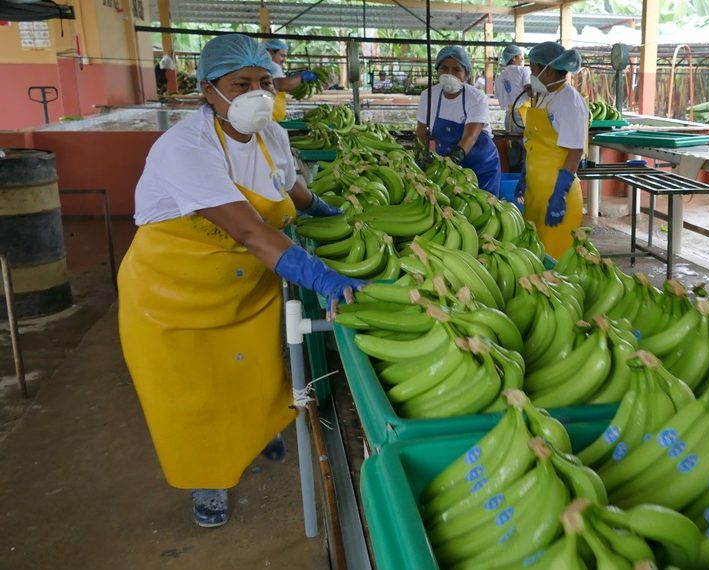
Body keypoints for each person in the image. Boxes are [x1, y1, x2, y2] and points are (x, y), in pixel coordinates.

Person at [118, 33, 364, 528]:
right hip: (174, 294)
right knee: (191, 396)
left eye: (264, 82)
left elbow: (287, 185)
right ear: (209, 90)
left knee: (250, 376)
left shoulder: (271, 131)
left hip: (244, 286)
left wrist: (320, 207)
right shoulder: (185, 148)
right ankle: (206, 482)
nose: (257, 92)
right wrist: (322, 277)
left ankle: (250, 438)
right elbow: (251, 229)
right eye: (241, 83)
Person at [517, 41, 588, 259]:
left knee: (553, 260)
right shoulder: (547, 94)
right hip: (537, 192)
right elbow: (536, 141)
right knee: (533, 254)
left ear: (546, 69)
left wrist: (560, 194)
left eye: (533, 68)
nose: (531, 74)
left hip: (556, 195)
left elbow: (575, 151)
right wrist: (525, 175)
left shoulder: (569, 101)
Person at [416, 46, 502, 196]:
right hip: (446, 165)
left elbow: (471, 136)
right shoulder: (428, 96)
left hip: (480, 165)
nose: (449, 74)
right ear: (437, 71)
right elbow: (421, 134)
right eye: (444, 68)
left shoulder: (476, 98)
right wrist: (421, 156)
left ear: (466, 74)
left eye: (456, 70)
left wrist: (451, 162)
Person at [262, 38, 321, 120]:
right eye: (281, 55)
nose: (284, 60)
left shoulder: (264, 66)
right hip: (270, 117)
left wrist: (293, 80)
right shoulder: (273, 65)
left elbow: (278, 87)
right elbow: (281, 85)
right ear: (270, 52)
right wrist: (302, 77)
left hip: (271, 116)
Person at [494, 44, 531, 171]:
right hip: (522, 117)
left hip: (509, 118)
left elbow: (499, 98)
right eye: (521, 56)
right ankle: (526, 185)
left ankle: (514, 183)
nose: (522, 58)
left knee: (514, 155)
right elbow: (529, 89)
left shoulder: (500, 77)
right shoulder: (523, 70)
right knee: (528, 151)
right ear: (514, 57)